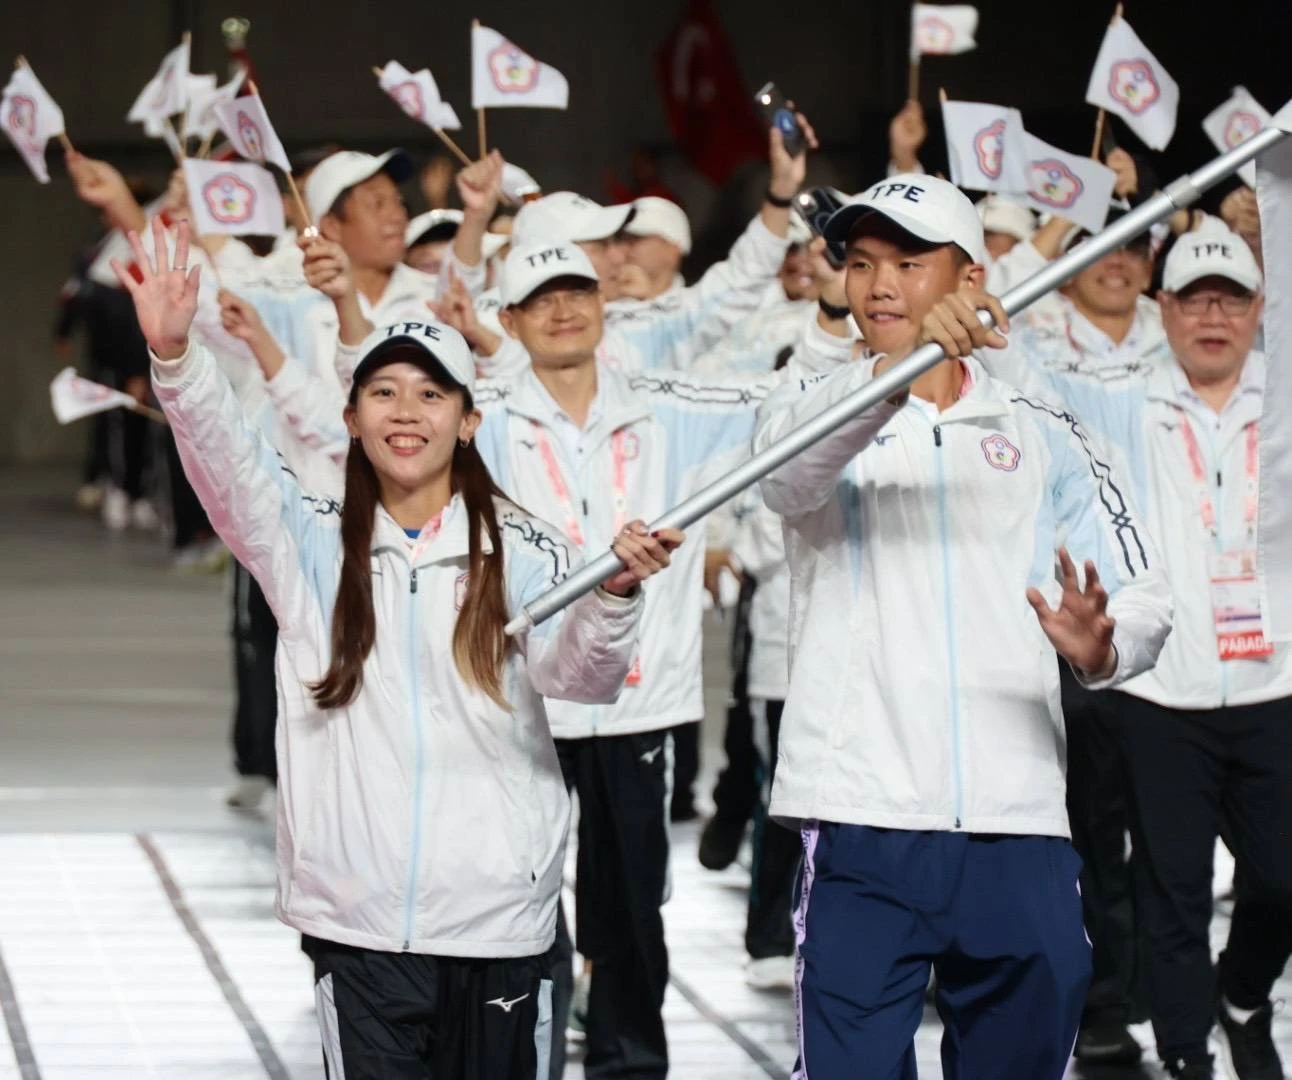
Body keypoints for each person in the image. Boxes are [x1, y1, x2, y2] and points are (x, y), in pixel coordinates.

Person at [115, 216, 683, 1079]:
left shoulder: (525, 554)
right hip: (362, 928)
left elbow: (583, 680)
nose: (406, 412)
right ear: (351, 416)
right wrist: (176, 361)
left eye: (431, 393)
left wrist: (612, 595)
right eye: (384, 393)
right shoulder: (305, 544)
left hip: (501, 926)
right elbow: (225, 459)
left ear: (466, 421)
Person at [754, 174, 1173, 1078]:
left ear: (973, 279)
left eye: (909, 262)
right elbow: (785, 484)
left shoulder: (1048, 426)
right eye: (861, 264)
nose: (880, 286)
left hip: (1015, 819)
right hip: (861, 817)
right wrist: (885, 386)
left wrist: (1105, 648)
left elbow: (1144, 593)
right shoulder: (811, 404)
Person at [462, 240, 776, 1079]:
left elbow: (786, 406)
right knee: (520, 895)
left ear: (604, 306)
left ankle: (631, 1060)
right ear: (511, 320)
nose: (564, 312)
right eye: (542, 299)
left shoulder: (669, 407)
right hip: (524, 700)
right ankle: (527, 1051)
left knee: (633, 902)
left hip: (638, 702)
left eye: (578, 294)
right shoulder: (478, 421)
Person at [986, 216, 1290, 1080]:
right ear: (1163, 311)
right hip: (1162, 693)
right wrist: (1039, 242)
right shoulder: (1119, 392)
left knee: (1280, 881)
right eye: (1193, 300)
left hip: (1278, 681)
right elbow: (1014, 355)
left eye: (1230, 299)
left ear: (1259, 308)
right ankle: (1189, 1056)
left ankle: (1245, 990)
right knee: (1172, 895)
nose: (1212, 317)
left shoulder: (1288, 394)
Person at [620, 196, 691, 300]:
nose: (623, 248)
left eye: (637, 239)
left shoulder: (702, 307)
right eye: (621, 240)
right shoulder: (601, 301)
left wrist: (647, 300)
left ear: (673, 250)